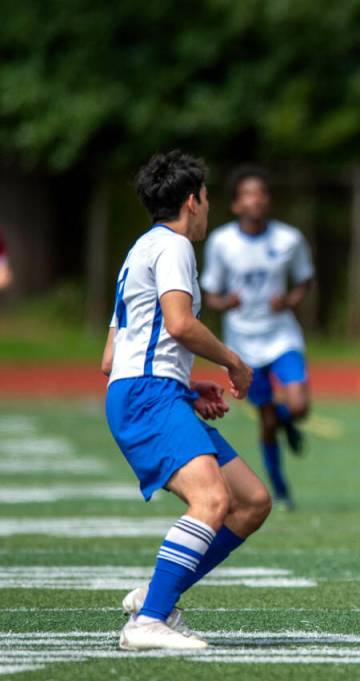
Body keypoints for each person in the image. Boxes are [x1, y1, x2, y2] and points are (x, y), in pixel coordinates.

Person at [102, 150, 271, 650]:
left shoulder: (141, 249)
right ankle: (149, 620)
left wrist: (184, 386)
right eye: (207, 198)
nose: (208, 208)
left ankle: (157, 596)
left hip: (146, 390)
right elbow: (179, 323)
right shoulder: (174, 247)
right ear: (193, 200)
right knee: (212, 499)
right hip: (147, 396)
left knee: (251, 502)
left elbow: (112, 356)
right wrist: (233, 362)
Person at [201, 165, 315, 510]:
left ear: (269, 200)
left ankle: (289, 422)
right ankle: (280, 489)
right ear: (236, 204)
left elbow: (304, 282)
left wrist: (289, 301)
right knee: (265, 422)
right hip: (243, 344)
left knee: (299, 405)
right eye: (247, 194)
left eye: (261, 193)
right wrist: (226, 303)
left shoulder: (288, 239)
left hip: (281, 336)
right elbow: (211, 295)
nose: (255, 200)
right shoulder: (222, 242)